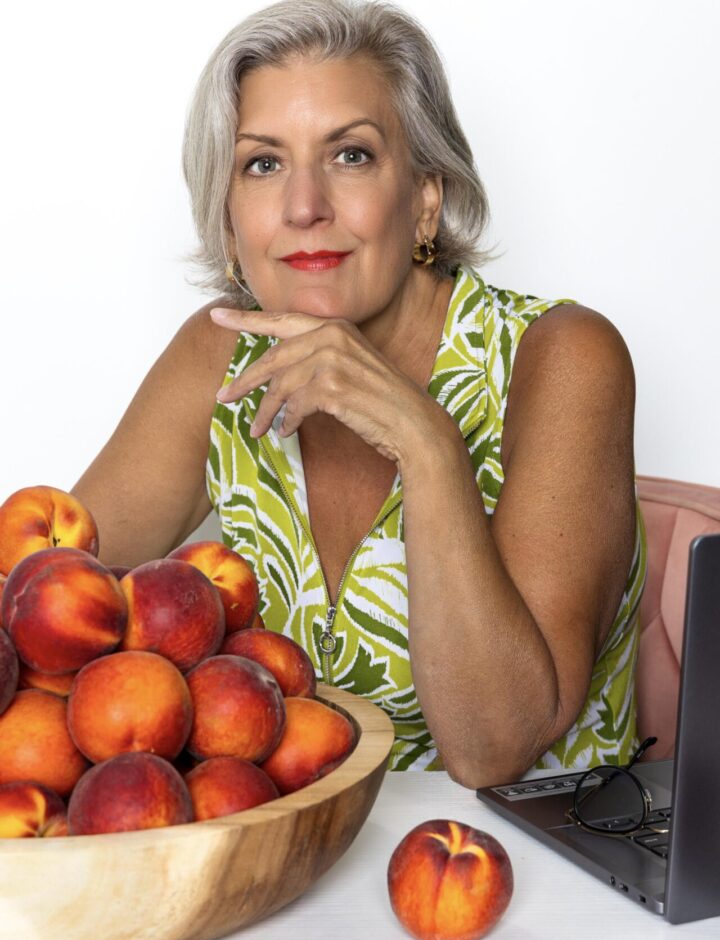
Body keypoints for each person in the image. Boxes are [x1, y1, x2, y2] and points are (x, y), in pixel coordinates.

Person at [72, 0, 645, 789]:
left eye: (350, 155)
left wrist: (427, 443)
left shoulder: (563, 358)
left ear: (425, 199)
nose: (305, 207)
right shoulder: (219, 354)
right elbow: (46, 602)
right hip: (302, 873)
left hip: (550, 880)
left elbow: (495, 749)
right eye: (263, 164)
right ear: (232, 227)